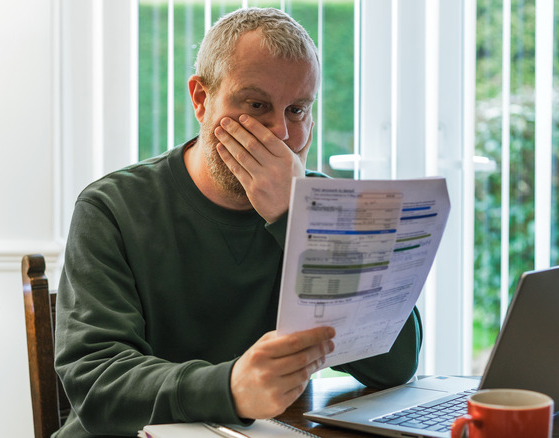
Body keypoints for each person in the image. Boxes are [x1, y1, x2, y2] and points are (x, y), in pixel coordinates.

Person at [53, 7, 422, 437]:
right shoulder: (111, 208)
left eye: (298, 110)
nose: (280, 134)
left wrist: (297, 218)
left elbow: (396, 365)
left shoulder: (327, 209)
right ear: (200, 99)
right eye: (256, 105)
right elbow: (96, 382)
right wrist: (229, 388)